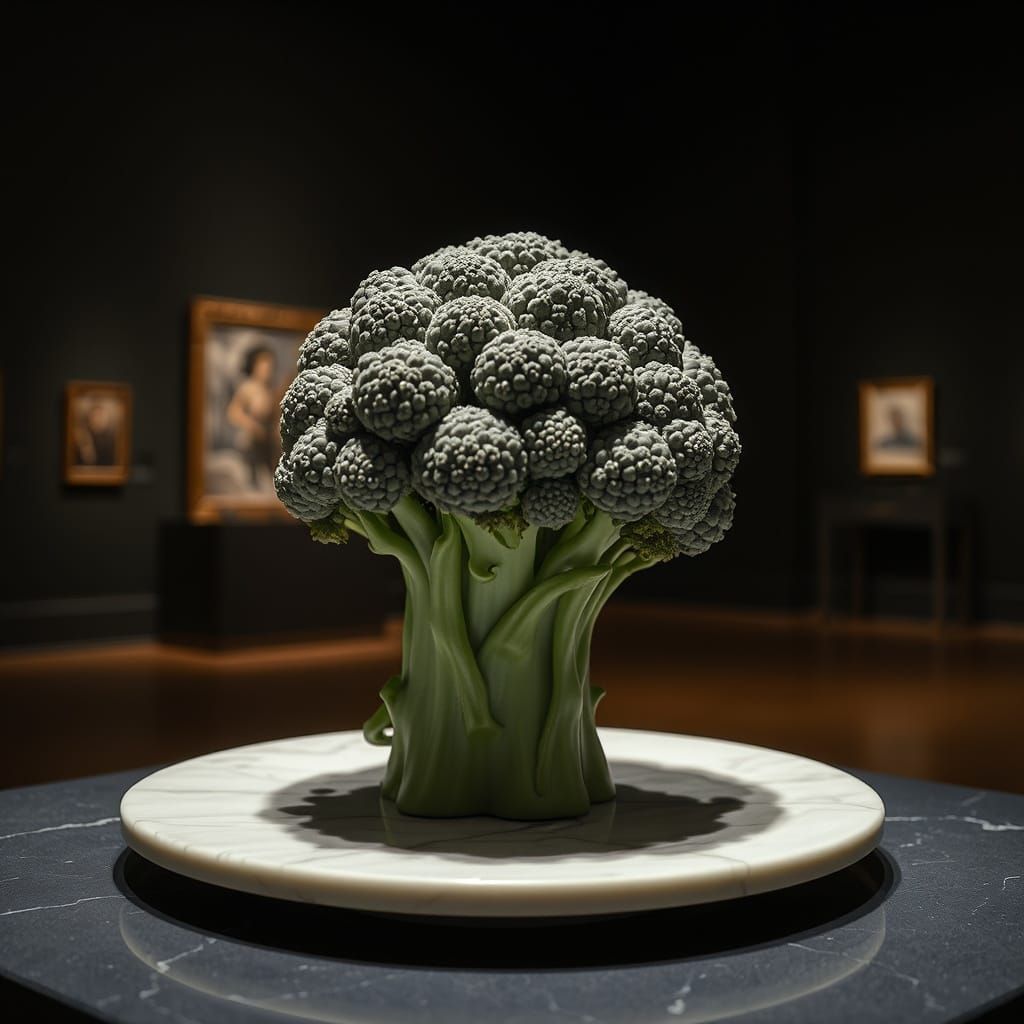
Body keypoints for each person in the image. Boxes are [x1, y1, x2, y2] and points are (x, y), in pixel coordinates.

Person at [227, 346, 278, 489]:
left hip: (266, 444)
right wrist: (251, 425)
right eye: (262, 365)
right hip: (250, 444)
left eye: (269, 366)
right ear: (254, 366)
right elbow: (233, 412)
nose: (266, 369)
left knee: (269, 480)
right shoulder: (247, 387)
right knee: (253, 483)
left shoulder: (269, 389)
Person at [73, 398, 119, 466]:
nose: (98, 419)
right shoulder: (83, 435)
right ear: (89, 418)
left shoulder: (112, 439)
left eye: (101, 416)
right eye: (95, 416)